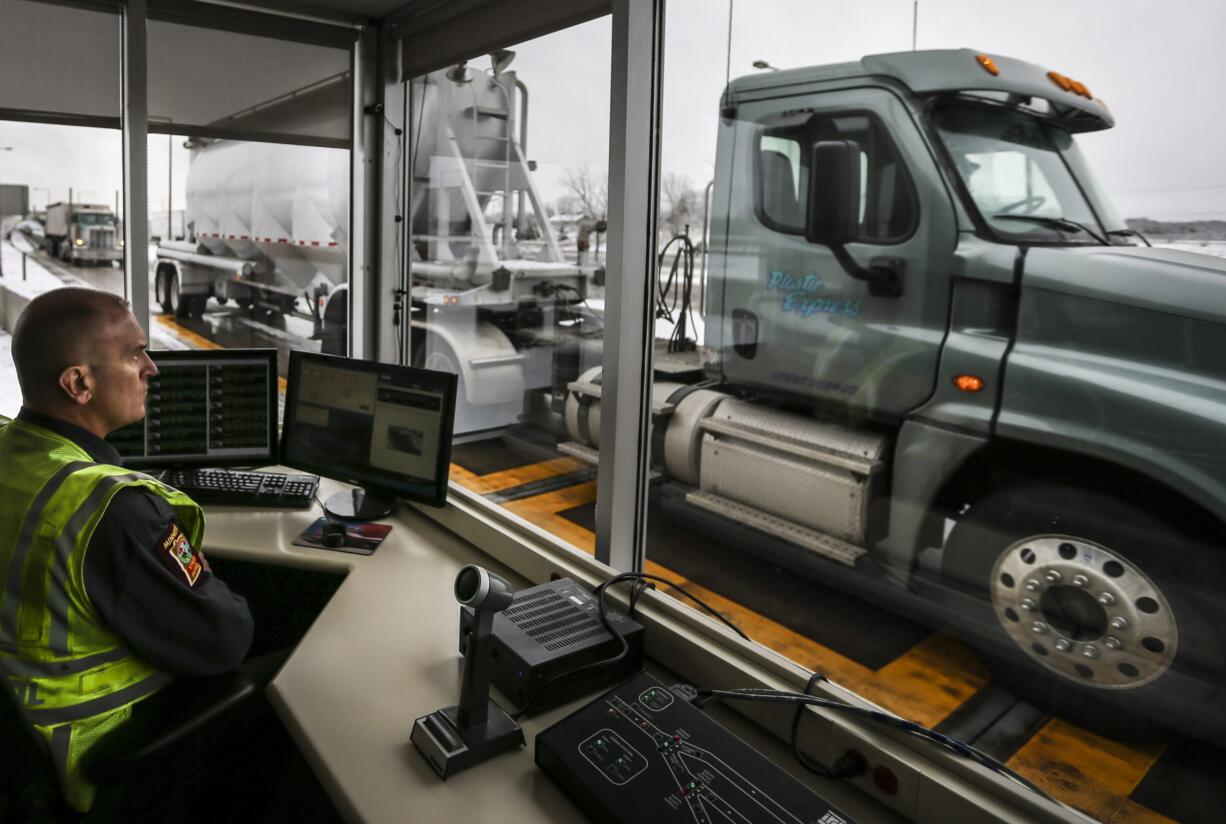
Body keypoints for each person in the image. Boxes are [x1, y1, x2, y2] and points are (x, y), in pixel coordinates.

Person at [0, 287, 254, 814]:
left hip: (17, 740)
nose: (151, 369)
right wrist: (197, 575)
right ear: (79, 383)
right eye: (135, 354)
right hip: (93, 759)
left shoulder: (13, 452)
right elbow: (225, 640)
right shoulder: (110, 510)